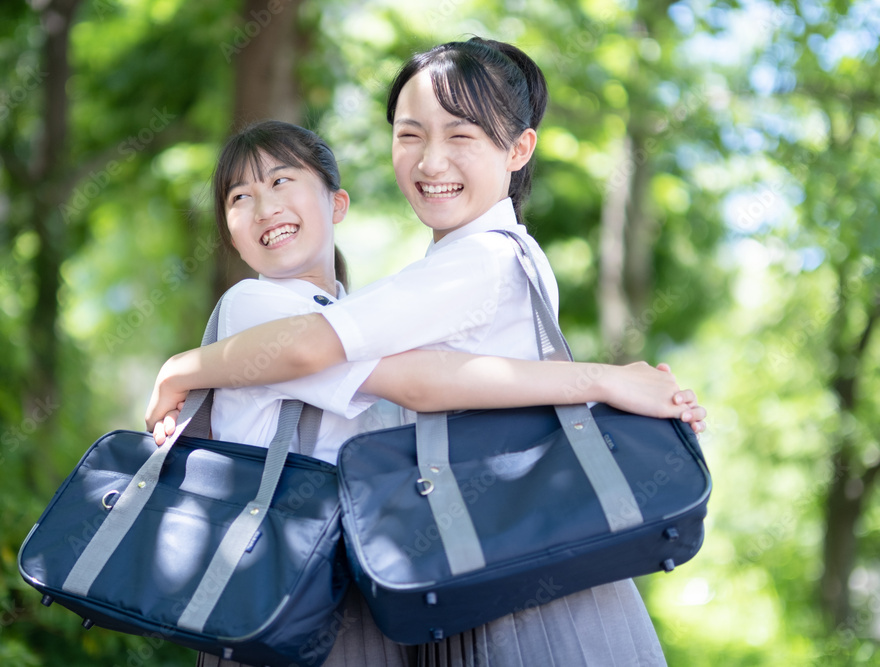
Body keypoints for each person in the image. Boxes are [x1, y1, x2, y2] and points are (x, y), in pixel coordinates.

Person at [150, 40, 705, 667]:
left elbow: (347, 359)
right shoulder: (499, 256)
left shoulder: (478, 259)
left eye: (461, 134)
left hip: (515, 592)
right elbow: (416, 381)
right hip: (499, 566)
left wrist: (182, 367)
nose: (431, 159)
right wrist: (601, 380)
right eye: (410, 135)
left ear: (518, 149)